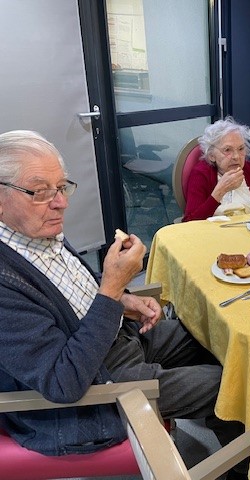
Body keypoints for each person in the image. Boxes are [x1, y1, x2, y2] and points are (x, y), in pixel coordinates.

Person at [0, 130, 222, 457]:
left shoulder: (33, 231)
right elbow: (64, 382)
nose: (61, 202)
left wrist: (124, 300)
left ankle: (238, 446)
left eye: (61, 187)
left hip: (118, 340)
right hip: (96, 385)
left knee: (216, 335)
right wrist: (112, 286)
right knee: (232, 384)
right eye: (40, 191)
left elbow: (73, 293)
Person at [183, 116, 250, 221]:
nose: (236, 157)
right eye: (227, 150)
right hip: (216, 234)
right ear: (211, 155)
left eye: (241, 149)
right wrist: (220, 191)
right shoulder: (201, 174)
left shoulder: (249, 169)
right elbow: (190, 222)